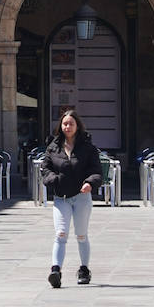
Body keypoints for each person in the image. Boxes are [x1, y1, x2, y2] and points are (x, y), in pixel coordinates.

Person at [40, 106, 101, 288]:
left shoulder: (88, 148)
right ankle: (55, 270)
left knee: (81, 235)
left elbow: (97, 170)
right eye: (65, 124)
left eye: (71, 124)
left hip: (81, 197)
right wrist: (53, 180)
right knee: (60, 233)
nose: (67, 127)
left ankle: (84, 269)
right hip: (61, 197)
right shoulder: (53, 147)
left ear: (77, 126)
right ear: (61, 126)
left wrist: (90, 182)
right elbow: (45, 168)